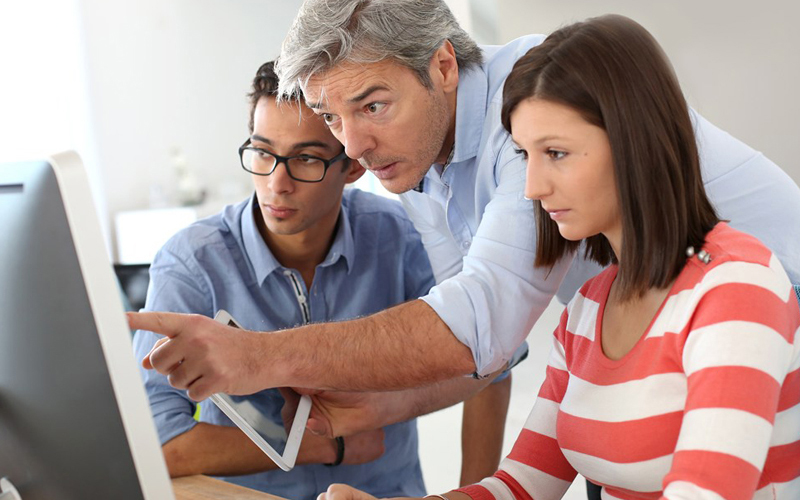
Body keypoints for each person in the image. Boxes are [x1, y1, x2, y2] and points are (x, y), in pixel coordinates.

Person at [130, 0, 800, 455]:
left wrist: (262, 356)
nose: (353, 147)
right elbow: (487, 348)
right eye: (333, 118)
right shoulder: (422, 157)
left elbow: (479, 321)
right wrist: (383, 407)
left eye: (373, 105)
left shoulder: (532, 105)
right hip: (656, 354)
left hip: (767, 334)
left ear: (443, 66)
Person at [316, 14, 800, 500]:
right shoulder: (587, 310)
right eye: (525, 154)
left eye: (556, 153)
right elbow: (520, 486)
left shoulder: (738, 288)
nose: (531, 188)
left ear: (631, 140)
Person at [132, 61, 464, 499]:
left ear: (353, 166)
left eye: (305, 158)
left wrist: (473, 491)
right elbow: (155, 442)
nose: (277, 183)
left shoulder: (403, 238)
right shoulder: (192, 261)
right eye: (263, 152)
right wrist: (329, 447)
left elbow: (492, 360)